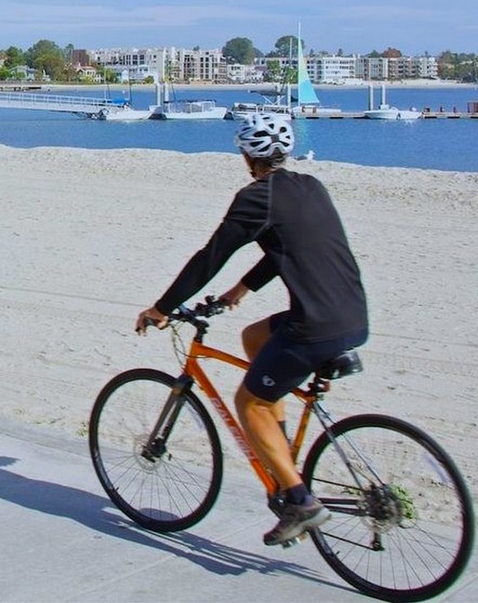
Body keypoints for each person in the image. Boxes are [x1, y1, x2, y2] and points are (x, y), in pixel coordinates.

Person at [134, 111, 368, 547]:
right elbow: (285, 250)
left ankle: (299, 499)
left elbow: (210, 257)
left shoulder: (255, 198)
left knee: (250, 401)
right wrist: (239, 290)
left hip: (313, 326)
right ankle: (282, 460)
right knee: (254, 339)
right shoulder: (312, 187)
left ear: (247, 154)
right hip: (352, 317)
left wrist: (162, 307)